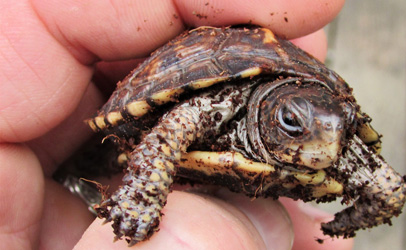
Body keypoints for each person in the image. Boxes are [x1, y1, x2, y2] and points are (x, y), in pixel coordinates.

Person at [0, 0, 353, 249]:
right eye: (292, 124)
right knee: (104, 157)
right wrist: (142, 197)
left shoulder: (335, 137)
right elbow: (174, 127)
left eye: (343, 127)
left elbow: (377, 178)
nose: (325, 140)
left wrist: (379, 196)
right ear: (268, 114)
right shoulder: (221, 102)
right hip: (151, 130)